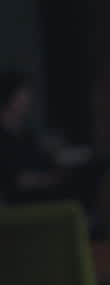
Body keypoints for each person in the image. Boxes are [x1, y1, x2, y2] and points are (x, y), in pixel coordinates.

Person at [0, 70, 63, 205]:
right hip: (20, 203)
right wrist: (46, 180)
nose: (27, 100)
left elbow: (41, 158)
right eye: (22, 95)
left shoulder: (26, 133)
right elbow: (12, 179)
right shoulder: (4, 137)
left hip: (42, 194)